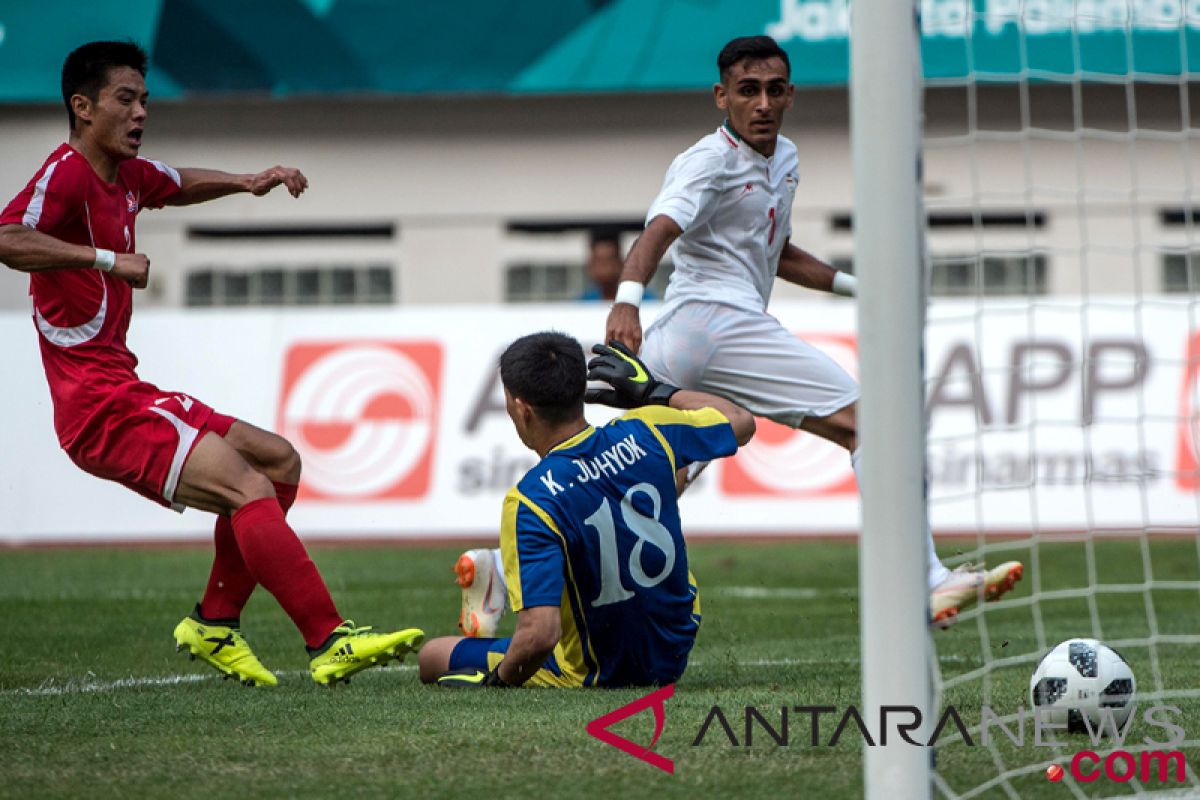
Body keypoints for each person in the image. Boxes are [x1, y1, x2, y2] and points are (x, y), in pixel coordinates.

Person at [0, 41, 423, 686]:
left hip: (125, 387)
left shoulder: (127, 176)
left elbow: (178, 182)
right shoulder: (66, 173)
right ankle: (330, 639)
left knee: (278, 461)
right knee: (246, 487)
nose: (141, 112)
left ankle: (213, 623)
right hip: (97, 408)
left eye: (145, 99)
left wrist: (249, 181)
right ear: (81, 108)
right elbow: (6, 237)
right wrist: (109, 261)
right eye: (125, 99)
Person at [601, 35, 1023, 626]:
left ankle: (504, 564)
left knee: (655, 476)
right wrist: (626, 303)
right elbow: (657, 231)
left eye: (774, 90)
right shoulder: (708, 161)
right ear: (722, 97)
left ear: (791, 94)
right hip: (716, 324)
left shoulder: (785, 160)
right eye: (748, 91)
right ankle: (925, 580)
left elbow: (774, 252)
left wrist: (858, 288)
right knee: (870, 424)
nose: (763, 103)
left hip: (686, 342)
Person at [418, 332, 755, 687]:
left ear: (521, 408)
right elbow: (741, 420)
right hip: (673, 648)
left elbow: (540, 636)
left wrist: (497, 683)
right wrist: (655, 392)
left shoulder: (530, 499)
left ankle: (502, 570)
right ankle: (501, 570)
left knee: (433, 656)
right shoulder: (649, 427)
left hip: (599, 670)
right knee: (655, 475)